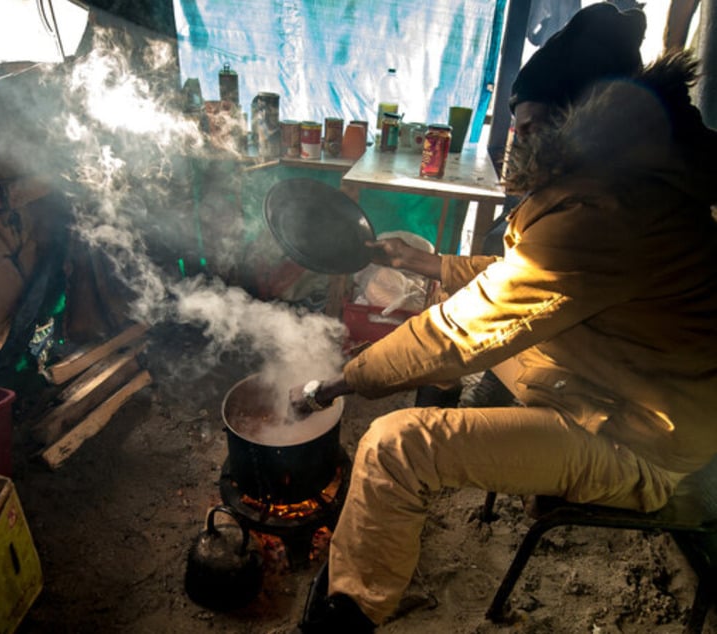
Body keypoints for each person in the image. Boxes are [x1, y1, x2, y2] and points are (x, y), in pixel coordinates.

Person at [291, 3, 717, 632]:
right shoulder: (623, 182)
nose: (515, 139)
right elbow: (524, 281)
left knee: (393, 446)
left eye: (528, 125)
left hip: (640, 439)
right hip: (615, 380)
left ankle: (346, 617)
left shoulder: (612, 212)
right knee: (450, 336)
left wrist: (341, 382)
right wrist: (430, 267)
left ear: (577, 119)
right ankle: (431, 459)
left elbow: (464, 331)